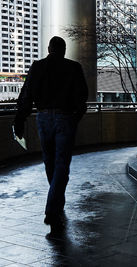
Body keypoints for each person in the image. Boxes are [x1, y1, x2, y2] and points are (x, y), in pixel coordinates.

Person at [13, 36, 88, 237]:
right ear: (63, 50)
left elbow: (26, 95)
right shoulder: (73, 68)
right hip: (65, 118)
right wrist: (74, 118)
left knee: (50, 163)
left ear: (48, 49)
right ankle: (53, 209)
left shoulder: (37, 67)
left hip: (43, 118)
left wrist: (19, 119)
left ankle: (55, 206)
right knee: (62, 165)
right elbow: (82, 97)